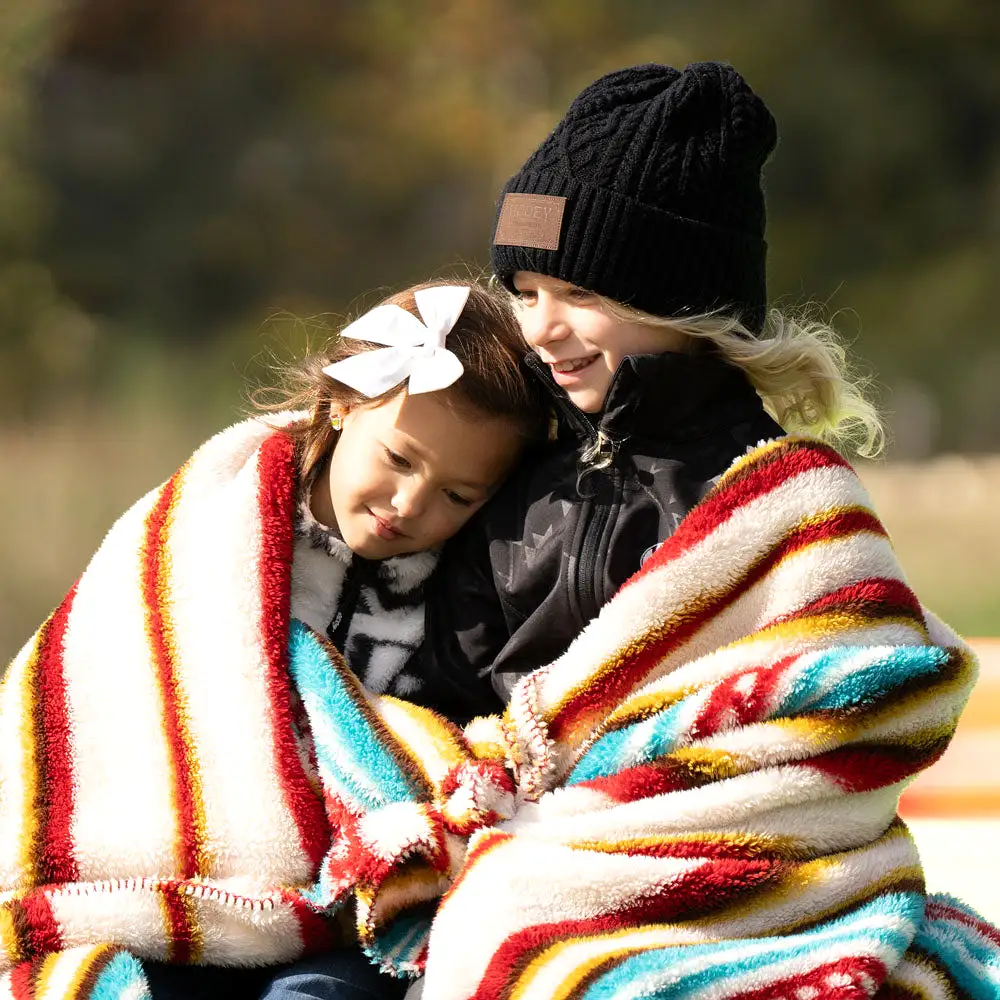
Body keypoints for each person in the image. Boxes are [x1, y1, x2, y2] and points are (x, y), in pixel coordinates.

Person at [0, 279, 547, 999]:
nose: (408, 504)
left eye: (457, 495)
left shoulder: (462, 590)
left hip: (342, 901)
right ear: (346, 403)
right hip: (165, 876)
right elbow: (115, 669)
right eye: (399, 459)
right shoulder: (214, 519)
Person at [417, 61, 884, 721]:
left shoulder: (779, 498)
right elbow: (437, 693)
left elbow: (835, 706)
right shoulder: (502, 469)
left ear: (682, 303)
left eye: (580, 292)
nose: (541, 328)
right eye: (525, 294)